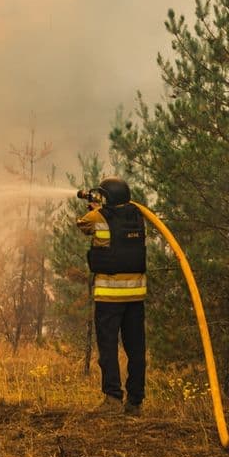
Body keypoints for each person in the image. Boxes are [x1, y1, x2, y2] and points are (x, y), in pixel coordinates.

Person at [76, 176, 147, 417]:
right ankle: (135, 402)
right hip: (135, 297)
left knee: (108, 349)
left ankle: (113, 398)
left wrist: (95, 208)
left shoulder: (97, 217)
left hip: (109, 298)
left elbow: (82, 224)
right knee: (136, 350)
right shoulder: (138, 216)